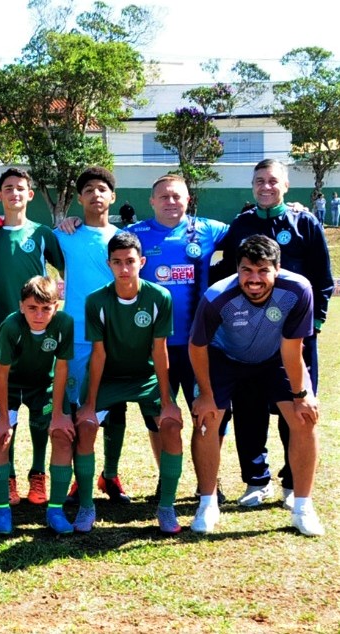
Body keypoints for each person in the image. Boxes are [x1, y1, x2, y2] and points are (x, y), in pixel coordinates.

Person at [213, 159, 332, 508]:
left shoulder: (304, 222)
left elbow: (323, 281)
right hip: (248, 337)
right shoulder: (242, 225)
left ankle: (293, 486)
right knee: (249, 410)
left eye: (273, 181)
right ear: (252, 186)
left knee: (296, 409)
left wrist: (315, 325)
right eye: (259, 181)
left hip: (294, 336)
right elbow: (221, 269)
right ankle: (256, 481)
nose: (266, 187)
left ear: (286, 185)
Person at [188, 236, 324, 536]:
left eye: (263, 270)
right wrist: (206, 395)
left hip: (275, 356)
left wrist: (302, 396)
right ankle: (207, 503)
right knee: (207, 421)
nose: (254, 279)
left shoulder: (298, 289)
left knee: (304, 419)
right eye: (247, 270)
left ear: (278, 268)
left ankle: (302, 506)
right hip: (223, 358)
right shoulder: (217, 296)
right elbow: (197, 347)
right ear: (237, 269)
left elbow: (292, 349)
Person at [127, 174, 229, 502]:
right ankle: (165, 479)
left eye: (177, 197)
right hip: (154, 347)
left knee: (208, 414)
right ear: (152, 201)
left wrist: (296, 207)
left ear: (188, 200)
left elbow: (253, 228)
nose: (171, 202)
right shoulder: (133, 235)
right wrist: (70, 221)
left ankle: (208, 482)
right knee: (159, 418)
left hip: (202, 347)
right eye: (164, 197)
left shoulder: (210, 229)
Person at [75, 232, 183, 534]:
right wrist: (89, 405)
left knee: (172, 425)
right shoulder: (96, 300)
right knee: (85, 426)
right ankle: (86, 506)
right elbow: (98, 354)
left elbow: (159, 351)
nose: (124, 268)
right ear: (109, 264)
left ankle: (166, 508)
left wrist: (168, 401)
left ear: (142, 262)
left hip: (146, 378)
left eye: (130, 262)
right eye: (118, 262)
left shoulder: (159, 296)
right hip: (108, 377)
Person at [0, 168, 64, 506]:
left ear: (30, 194)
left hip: (40, 333)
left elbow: (65, 268)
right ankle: (11, 479)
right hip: (3, 335)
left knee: (40, 409)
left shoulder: (43, 233)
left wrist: (59, 307)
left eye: (20, 188)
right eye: (8, 188)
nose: (14, 192)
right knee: (6, 408)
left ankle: (37, 476)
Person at [55, 168, 126, 507]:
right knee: (75, 409)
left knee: (114, 407)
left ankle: (109, 474)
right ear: (80, 199)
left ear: (112, 197)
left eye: (102, 189)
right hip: (76, 337)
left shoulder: (124, 238)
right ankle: (76, 479)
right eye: (89, 190)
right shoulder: (65, 234)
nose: (96, 195)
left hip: (114, 337)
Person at [0, 276, 74, 535]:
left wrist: (58, 414)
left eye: (46, 308)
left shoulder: (64, 323)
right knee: (0, 438)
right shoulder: (11, 326)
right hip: (8, 386)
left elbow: (61, 368)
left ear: (56, 306)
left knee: (61, 435)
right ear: (21, 306)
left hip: (41, 387)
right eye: (32, 308)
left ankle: (55, 509)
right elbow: (0, 373)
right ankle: (2, 509)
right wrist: (3, 418)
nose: (39, 314)